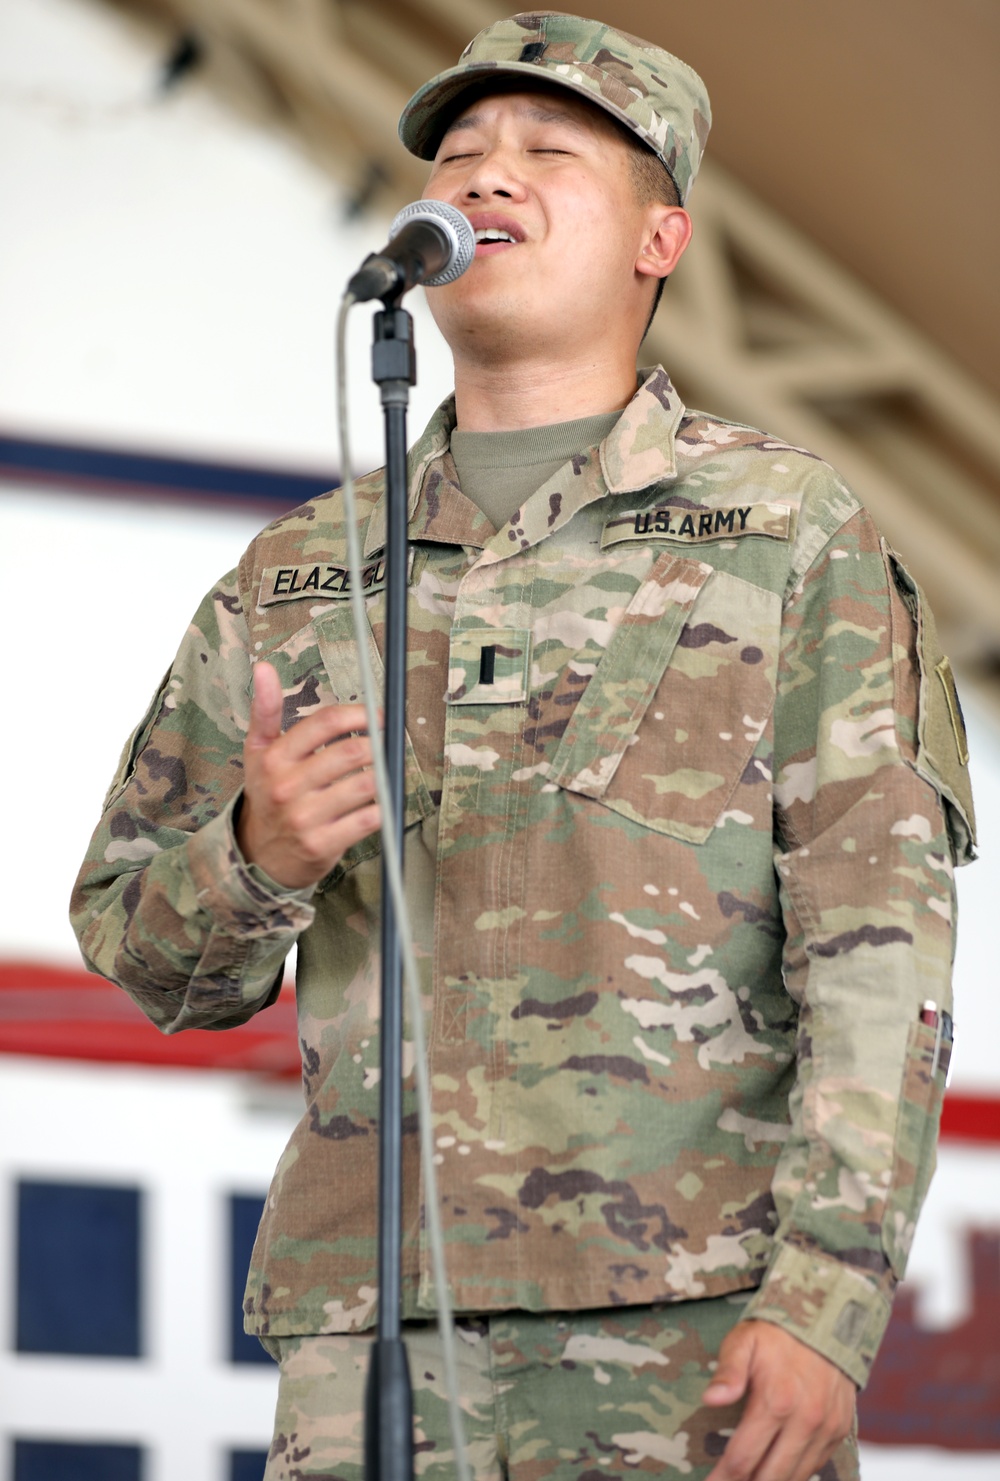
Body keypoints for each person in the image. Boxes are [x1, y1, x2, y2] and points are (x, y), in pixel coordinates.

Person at [70, 12, 976, 1481]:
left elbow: (879, 947)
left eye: (549, 153)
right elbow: (140, 944)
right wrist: (263, 855)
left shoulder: (785, 532)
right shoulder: (299, 575)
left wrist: (828, 1300)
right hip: (368, 1342)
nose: (488, 176)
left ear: (660, 239)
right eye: (461, 153)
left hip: (691, 1328)